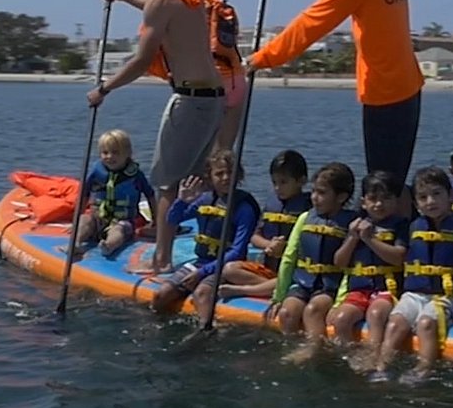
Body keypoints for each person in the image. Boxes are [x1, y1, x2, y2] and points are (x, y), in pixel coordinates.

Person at [248, 0, 424, 189]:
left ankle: (384, 229)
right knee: (394, 180)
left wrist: (261, 58)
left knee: (381, 183)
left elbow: (312, 23)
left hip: (383, 91)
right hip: (410, 85)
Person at [89, 0, 225, 274]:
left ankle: (161, 259)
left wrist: (104, 88)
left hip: (190, 100)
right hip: (214, 98)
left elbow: (141, 61)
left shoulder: (161, 2)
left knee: (166, 183)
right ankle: (208, 247)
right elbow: (152, 4)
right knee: (195, 179)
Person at [371, 166, 453, 381]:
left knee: (426, 323)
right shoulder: (413, 227)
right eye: (423, 197)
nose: (430, 201)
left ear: (450, 195)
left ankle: (423, 370)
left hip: (448, 297)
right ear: (416, 203)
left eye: (437, 194)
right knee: (395, 324)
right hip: (414, 295)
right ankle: (382, 368)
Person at [100, 0, 246, 154]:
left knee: (190, 157)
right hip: (237, 83)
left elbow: (155, 6)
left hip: (206, 88)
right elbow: (151, 4)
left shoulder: (184, 5)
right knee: (223, 154)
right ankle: (225, 182)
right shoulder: (219, 7)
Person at [150, 149, 260, 327]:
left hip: (224, 267)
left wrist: (202, 273)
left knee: (201, 294)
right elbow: (173, 219)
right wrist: (182, 200)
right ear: (210, 177)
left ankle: (206, 331)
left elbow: (237, 251)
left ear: (238, 175)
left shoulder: (243, 208)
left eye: (230, 173)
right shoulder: (204, 200)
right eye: (219, 173)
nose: (225, 177)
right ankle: (158, 326)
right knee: (161, 295)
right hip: (201, 262)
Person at [274, 163, 360, 361]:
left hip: (330, 286)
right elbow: (289, 257)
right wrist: (278, 296)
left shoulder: (351, 224)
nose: (314, 197)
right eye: (313, 191)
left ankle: (314, 348)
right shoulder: (306, 218)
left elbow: (351, 268)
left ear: (341, 197)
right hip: (303, 282)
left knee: (313, 310)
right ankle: (292, 346)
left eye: (322, 193)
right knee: (287, 312)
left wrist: (339, 303)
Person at [326, 171, 410, 358]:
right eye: (373, 199)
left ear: (396, 201)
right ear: (364, 202)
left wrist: (370, 239)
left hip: (388, 289)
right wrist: (353, 238)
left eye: (386, 198)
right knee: (342, 319)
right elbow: (339, 262)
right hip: (359, 290)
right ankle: (348, 357)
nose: (379, 204)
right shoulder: (355, 225)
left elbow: (399, 257)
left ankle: (372, 356)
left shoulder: (401, 225)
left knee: (376, 314)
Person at [218, 150, 311, 301]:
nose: (277, 188)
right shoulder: (271, 204)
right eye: (274, 182)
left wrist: (285, 247)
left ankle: (244, 289)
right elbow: (254, 237)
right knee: (229, 270)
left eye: (283, 182)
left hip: (293, 271)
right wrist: (269, 244)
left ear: (301, 181)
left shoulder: (309, 208)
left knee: (294, 280)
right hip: (269, 270)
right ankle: (271, 288)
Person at [73, 129, 156, 258]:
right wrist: (77, 217)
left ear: (128, 153)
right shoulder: (97, 170)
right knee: (84, 220)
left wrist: (155, 220)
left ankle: (109, 245)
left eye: (116, 153)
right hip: (98, 219)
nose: (110, 156)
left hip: (122, 221)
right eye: (105, 153)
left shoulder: (135, 175)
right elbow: (85, 193)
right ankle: (76, 243)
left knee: (118, 231)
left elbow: (150, 195)